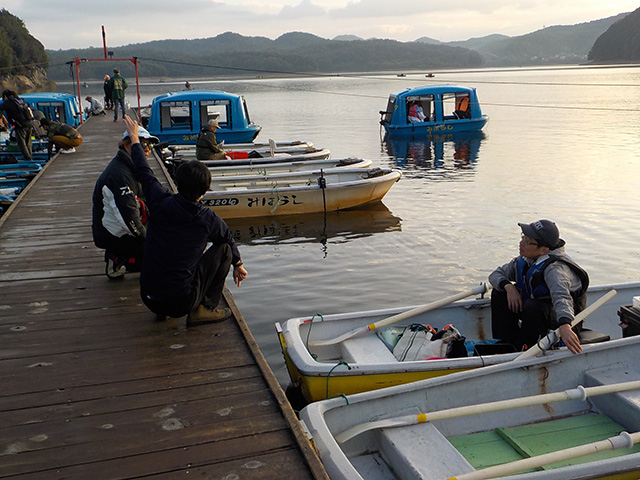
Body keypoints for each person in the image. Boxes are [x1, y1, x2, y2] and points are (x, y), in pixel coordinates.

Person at [122, 115, 247, 325]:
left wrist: (135, 140)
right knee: (224, 248)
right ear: (205, 190)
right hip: (181, 303)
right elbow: (226, 237)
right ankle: (204, 309)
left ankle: (162, 310)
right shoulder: (207, 218)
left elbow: (144, 171)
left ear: (178, 183)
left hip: (149, 298)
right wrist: (238, 263)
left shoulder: (159, 200)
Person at [488, 219, 589, 355]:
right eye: (523, 237)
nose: (521, 243)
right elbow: (495, 274)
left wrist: (565, 325)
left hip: (566, 320)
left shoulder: (555, 270)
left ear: (544, 250)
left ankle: (529, 348)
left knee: (533, 306)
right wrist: (508, 287)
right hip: (538, 313)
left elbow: (562, 297)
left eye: (527, 241)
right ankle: (509, 342)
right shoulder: (525, 260)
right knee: (499, 292)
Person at [92, 123, 158, 279]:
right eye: (142, 144)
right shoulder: (120, 175)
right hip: (114, 233)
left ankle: (123, 257)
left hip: (121, 227)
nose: (147, 149)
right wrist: (151, 240)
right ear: (127, 145)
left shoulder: (132, 166)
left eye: (150, 145)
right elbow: (129, 219)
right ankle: (118, 259)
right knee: (165, 254)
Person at [0, 89, 33, 161]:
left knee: (21, 143)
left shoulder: (8, 102)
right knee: (28, 141)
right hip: (29, 123)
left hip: (20, 125)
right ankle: (30, 155)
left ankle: (28, 158)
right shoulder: (20, 100)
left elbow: (1, 107)